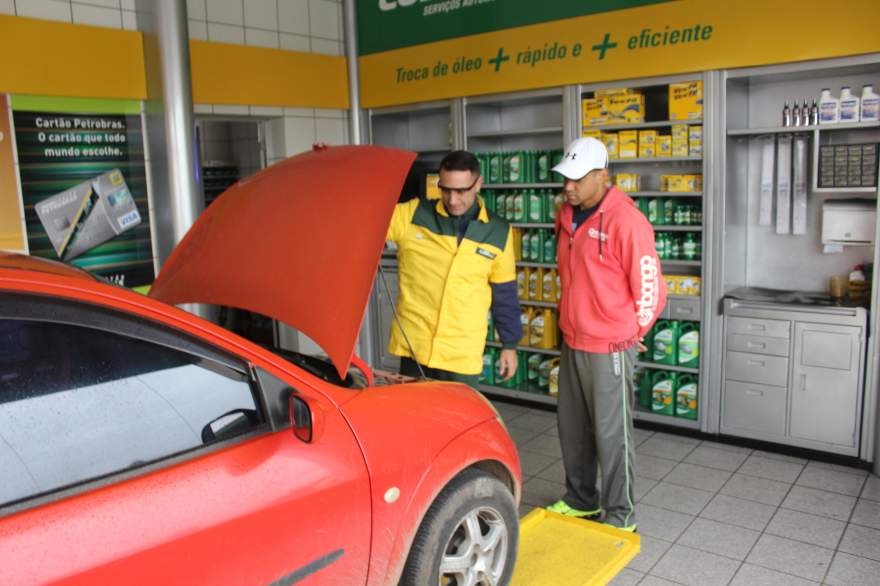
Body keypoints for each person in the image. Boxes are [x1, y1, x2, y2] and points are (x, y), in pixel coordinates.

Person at [546, 137, 666, 532]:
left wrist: (635, 331)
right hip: (574, 339)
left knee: (613, 436)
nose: (569, 187)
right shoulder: (566, 216)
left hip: (610, 346)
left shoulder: (626, 221)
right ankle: (581, 499)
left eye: (578, 179)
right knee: (573, 429)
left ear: (602, 176)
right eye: (566, 178)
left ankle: (620, 513)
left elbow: (651, 287)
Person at [385, 150, 521, 386]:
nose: (453, 199)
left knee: (458, 421)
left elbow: (505, 293)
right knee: (413, 421)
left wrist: (509, 345)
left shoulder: (498, 231)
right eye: (445, 189)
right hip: (414, 348)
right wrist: (338, 167)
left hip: (461, 354)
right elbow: (364, 220)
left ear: (478, 184)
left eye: (461, 191)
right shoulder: (412, 214)